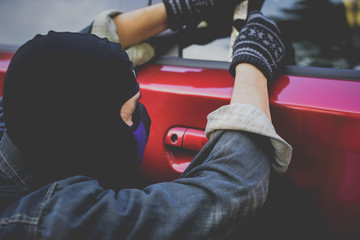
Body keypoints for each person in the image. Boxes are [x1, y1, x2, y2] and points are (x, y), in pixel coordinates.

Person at [0, 1, 292, 239]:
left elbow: (54, 65)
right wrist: (254, 63)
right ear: (84, 135)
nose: (143, 114)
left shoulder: (20, 120)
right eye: (133, 108)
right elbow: (228, 193)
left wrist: (178, 9)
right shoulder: (54, 223)